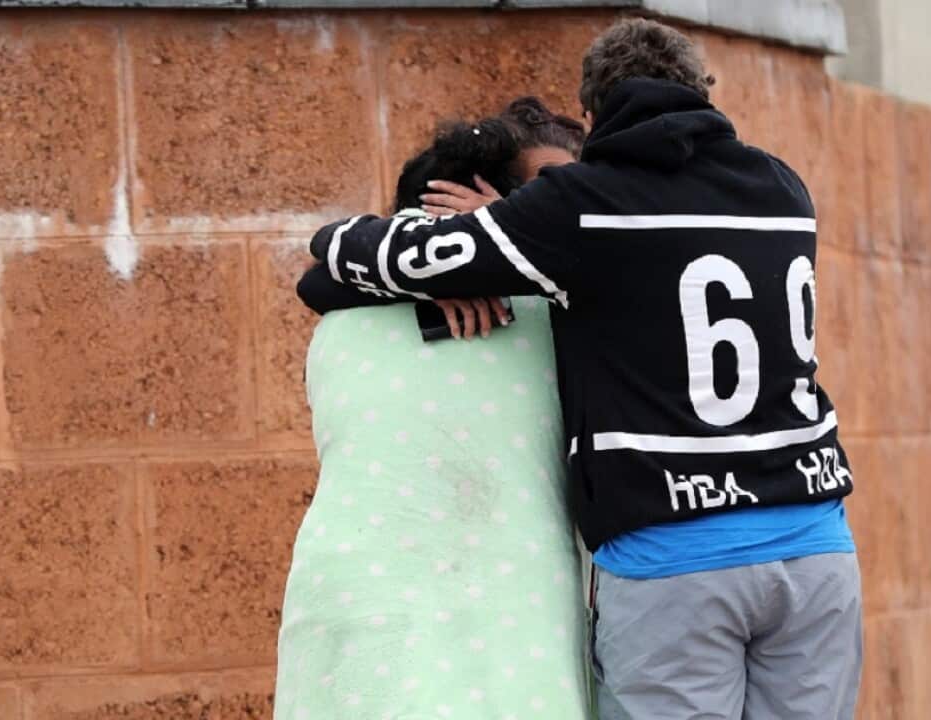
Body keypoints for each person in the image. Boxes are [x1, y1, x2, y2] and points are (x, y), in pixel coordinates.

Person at [308, 18, 862, 720]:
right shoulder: (784, 188)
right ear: (701, 92)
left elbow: (366, 260)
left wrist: (346, 235)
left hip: (674, 559)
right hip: (816, 546)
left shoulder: (582, 205)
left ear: (595, 111)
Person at [274, 99, 592, 720]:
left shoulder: (339, 317)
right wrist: (450, 268)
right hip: (502, 617)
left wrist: (427, 271)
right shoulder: (552, 319)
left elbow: (321, 270)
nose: (569, 208)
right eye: (549, 191)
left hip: (358, 607)